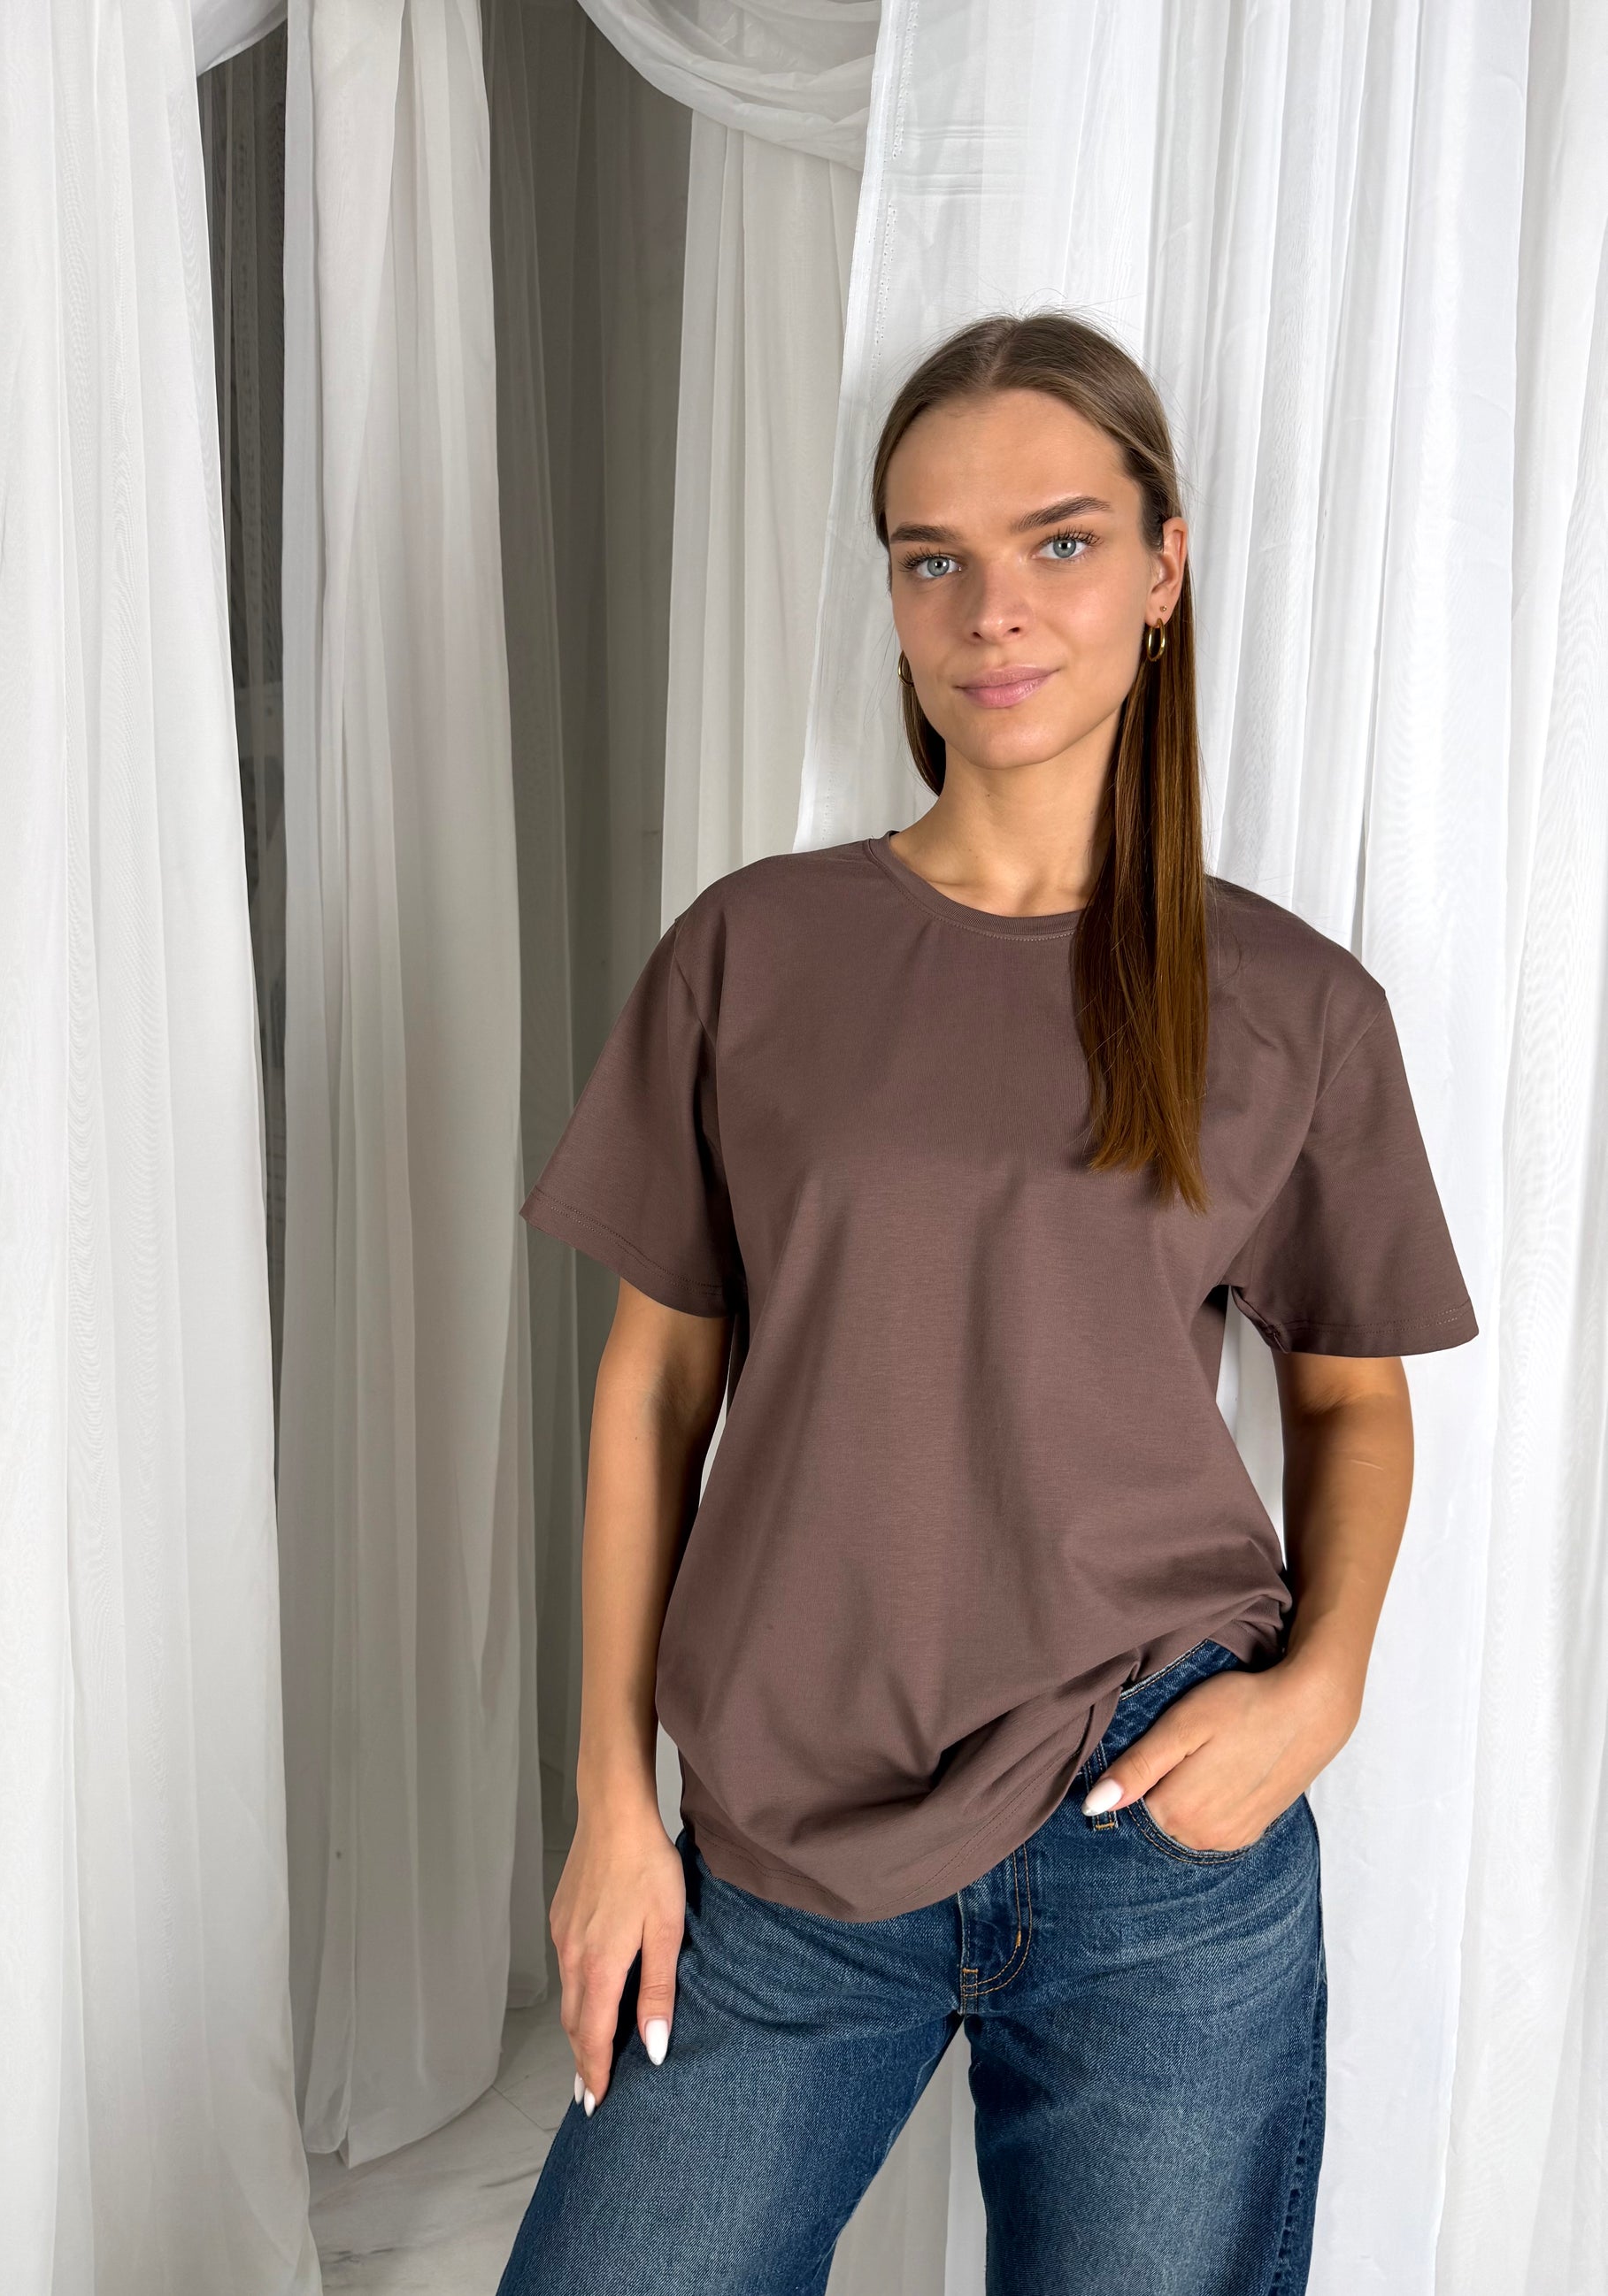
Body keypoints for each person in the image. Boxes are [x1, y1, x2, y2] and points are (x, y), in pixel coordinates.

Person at [496, 310, 1478, 2296]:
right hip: (782, 1840)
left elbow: (1348, 1398)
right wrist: (611, 1800)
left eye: (1059, 542)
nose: (991, 609)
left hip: (1154, 1827)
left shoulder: (1290, 1003)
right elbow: (653, 1386)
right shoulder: (752, 950)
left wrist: (1322, 1687)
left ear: (1163, 570)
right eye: (930, 556)